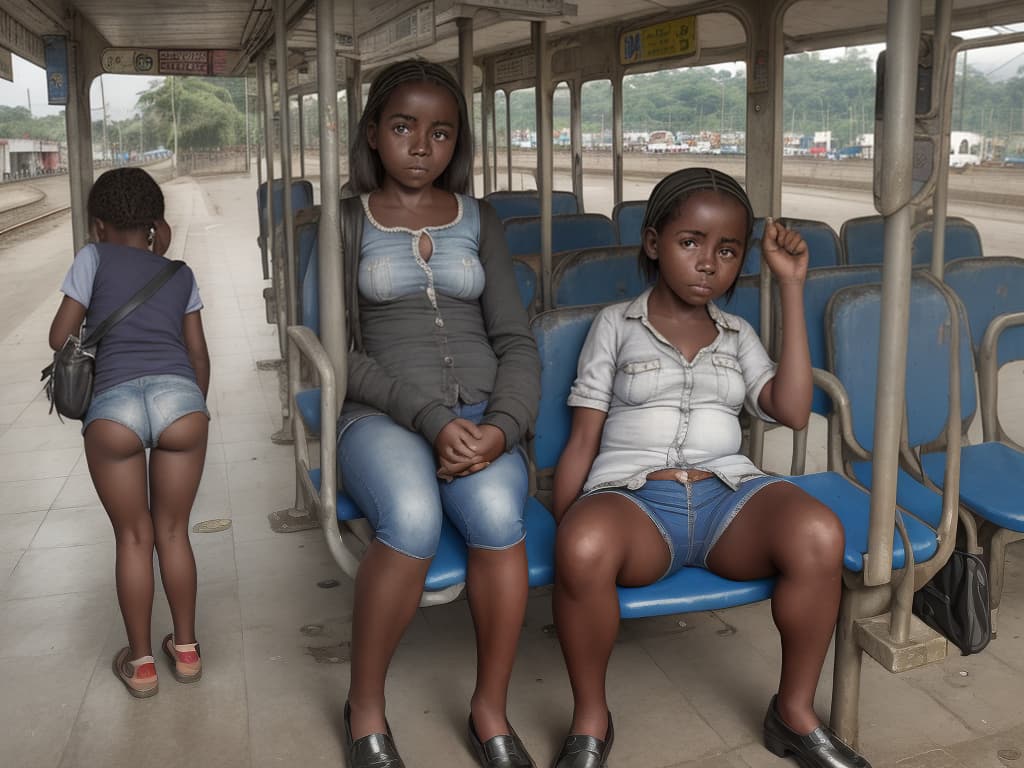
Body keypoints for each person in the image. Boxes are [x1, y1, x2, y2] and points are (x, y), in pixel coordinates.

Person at [550, 168, 871, 768]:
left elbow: (794, 411)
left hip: (730, 499)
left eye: (726, 251)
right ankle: (591, 719)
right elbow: (582, 438)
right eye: (690, 242)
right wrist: (566, 535)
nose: (708, 263)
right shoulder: (614, 326)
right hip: (635, 501)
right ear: (653, 243)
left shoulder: (738, 334)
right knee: (584, 545)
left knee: (819, 532)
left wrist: (792, 286)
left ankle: (794, 714)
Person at [336, 60, 541, 768]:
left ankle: (490, 707)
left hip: (483, 412)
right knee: (414, 518)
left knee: (495, 517)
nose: (421, 146)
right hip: (383, 412)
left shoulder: (479, 220)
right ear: (372, 134)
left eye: (440, 132)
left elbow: (515, 338)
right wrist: (428, 417)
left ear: (457, 144)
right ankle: (365, 705)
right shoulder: (342, 221)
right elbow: (339, 354)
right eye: (403, 127)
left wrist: (503, 426)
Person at [48, 167, 210, 698]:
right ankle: (185, 652)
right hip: (180, 403)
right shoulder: (179, 273)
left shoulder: (92, 259)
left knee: (134, 537)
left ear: (98, 225)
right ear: (154, 224)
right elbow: (197, 355)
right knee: (173, 532)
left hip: (114, 410)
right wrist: (192, 412)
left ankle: (141, 664)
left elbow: (59, 336)